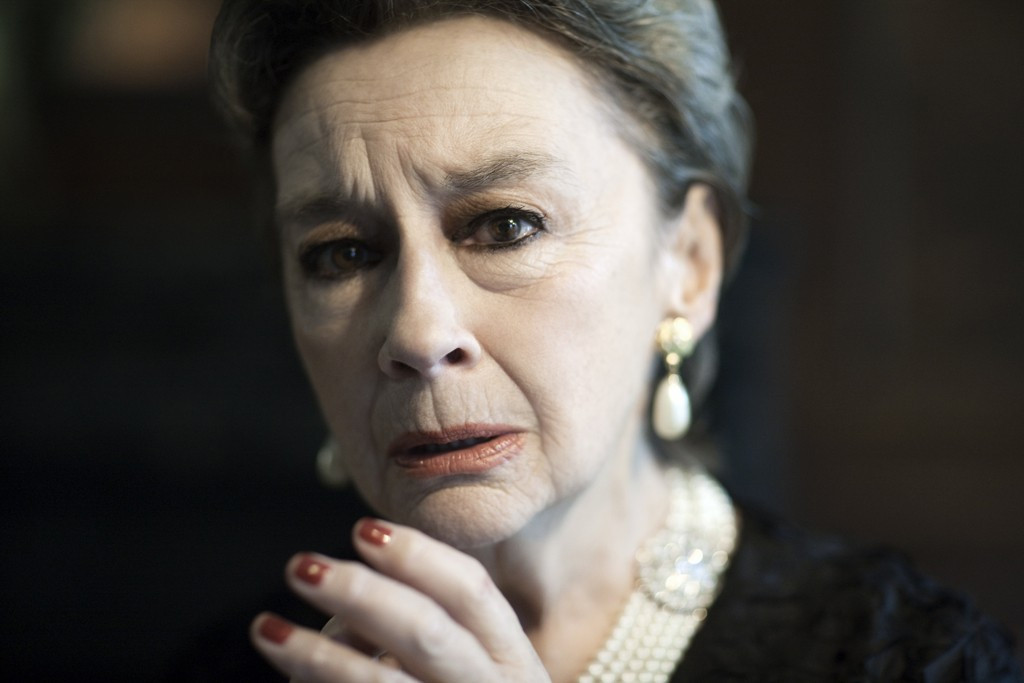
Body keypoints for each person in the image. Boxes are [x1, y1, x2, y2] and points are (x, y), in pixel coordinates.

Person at [207, 1, 1021, 680]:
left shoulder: (914, 659)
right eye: (342, 254)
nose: (417, 333)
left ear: (690, 262)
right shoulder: (239, 666)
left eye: (506, 225)